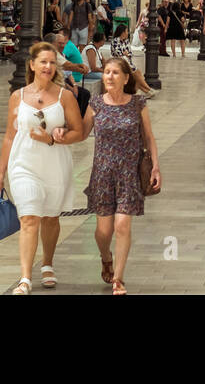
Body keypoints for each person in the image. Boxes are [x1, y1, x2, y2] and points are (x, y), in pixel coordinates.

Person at [53, 56, 159, 295]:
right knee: (103, 232)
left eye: (114, 73)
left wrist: (155, 168)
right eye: (107, 72)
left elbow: (150, 137)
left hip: (130, 174)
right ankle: (105, 256)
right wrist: (60, 131)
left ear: (125, 78)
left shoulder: (138, 104)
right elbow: (81, 133)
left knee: (122, 225)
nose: (109, 76)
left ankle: (118, 279)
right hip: (102, 174)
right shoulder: (96, 103)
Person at [0, 41, 81, 294]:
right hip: (23, 165)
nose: (48, 66)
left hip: (55, 165)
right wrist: (1, 172)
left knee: (50, 218)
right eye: (43, 62)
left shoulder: (65, 97)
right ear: (31, 65)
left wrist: (56, 137)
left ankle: (47, 263)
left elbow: (78, 132)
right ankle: (25, 277)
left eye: (52, 62)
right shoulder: (17, 97)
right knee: (30, 218)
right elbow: (9, 136)